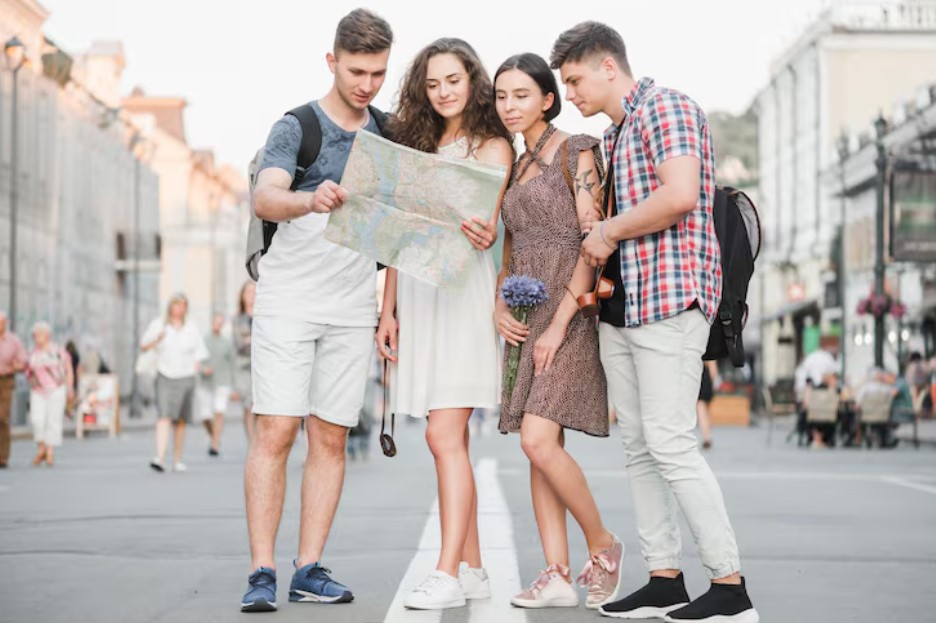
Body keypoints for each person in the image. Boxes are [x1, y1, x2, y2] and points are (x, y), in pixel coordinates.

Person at [551, 22, 759, 622]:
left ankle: (729, 586)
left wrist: (607, 229)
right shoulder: (615, 136)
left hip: (669, 301)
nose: (572, 94)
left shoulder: (666, 107)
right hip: (625, 306)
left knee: (670, 444)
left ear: (608, 67)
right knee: (640, 448)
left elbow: (681, 195)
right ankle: (665, 578)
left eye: (575, 80)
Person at [241, 9, 394, 613]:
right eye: (357, 71)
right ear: (332, 61)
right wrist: (308, 200)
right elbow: (266, 195)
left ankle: (308, 568)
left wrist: (388, 310)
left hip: (354, 302)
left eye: (378, 73)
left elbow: (401, 228)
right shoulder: (296, 126)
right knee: (276, 430)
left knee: (329, 437)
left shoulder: (388, 130)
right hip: (289, 299)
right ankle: (261, 571)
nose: (367, 84)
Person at [376, 37, 512, 611]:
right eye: (432, 84)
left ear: (472, 79)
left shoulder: (493, 145)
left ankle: (447, 571)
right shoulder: (416, 144)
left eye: (452, 80)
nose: (442, 92)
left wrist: (483, 227)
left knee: (440, 435)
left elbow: (485, 224)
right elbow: (395, 234)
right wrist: (387, 310)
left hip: (462, 294)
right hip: (419, 294)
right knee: (444, 440)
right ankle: (474, 569)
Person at [491, 52, 622, 610]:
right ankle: (557, 574)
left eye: (522, 94)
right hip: (526, 314)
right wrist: (501, 303)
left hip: (570, 314)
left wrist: (559, 324)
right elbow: (512, 247)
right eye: (501, 96)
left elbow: (592, 244)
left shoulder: (579, 151)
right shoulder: (512, 168)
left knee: (537, 439)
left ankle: (603, 544)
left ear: (548, 99)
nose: (509, 106)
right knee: (540, 449)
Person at [140, 293, 208, 473]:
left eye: (183, 305)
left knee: (180, 420)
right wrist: (157, 339)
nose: (180, 309)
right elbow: (143, 346)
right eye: (177, 305)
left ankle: (177, 459)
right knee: (163, 416)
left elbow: (199, 353)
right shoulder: (158, 324)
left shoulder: (191, 328)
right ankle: (160, 458)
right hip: (164, 375)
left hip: (186, 377)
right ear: (170, 306)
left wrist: (196, 369)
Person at [25, 322, 74, 467]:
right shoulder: (32, 353)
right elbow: (28, 371)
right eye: (35, 335)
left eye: (40, 335)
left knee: (54, 420)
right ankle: (41, 448)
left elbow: (68, 369)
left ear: (47, 335)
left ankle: (50, 451)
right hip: (37, 391)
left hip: (56, 389)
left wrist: (70, 387)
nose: (37, 338)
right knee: (37, 420)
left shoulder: (58, 351)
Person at [198, 312, 235, 456]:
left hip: (222, 381)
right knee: (205, 416)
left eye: (220, 322)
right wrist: (203, 369)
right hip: (206, 382)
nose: (217, 325)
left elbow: (232, 363)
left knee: (219, 412)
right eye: (215, 322)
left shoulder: (227, 343)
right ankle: (215, 436)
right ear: (211, 322)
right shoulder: (204, 340)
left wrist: (233, 386)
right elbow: (197, 360)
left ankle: (215, 444)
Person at [0, 311, 28, 468]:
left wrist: (15, 366)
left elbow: (24, 360)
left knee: (2, 417)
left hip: (5, 380)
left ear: (5, 323)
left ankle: (3, 456)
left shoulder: (13, 341)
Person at [233, 281, 256, 441]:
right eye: (247, 292)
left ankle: (259, 441)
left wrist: (249, 339)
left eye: (254, 292)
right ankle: (252, 442)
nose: (251, 296)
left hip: (262, 367)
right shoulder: (237, 319)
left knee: (260, 407)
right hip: (243, 367)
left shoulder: (264, 315)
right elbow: (239, 344)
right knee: (248, 405)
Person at [697, 360, 720, 449]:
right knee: (707, 410)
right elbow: (713, 368)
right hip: (708, 381)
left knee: (700, 409)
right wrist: (714, 383)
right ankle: (708, 435)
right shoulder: (708, 349)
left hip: (699, 380)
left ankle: (706, 437)